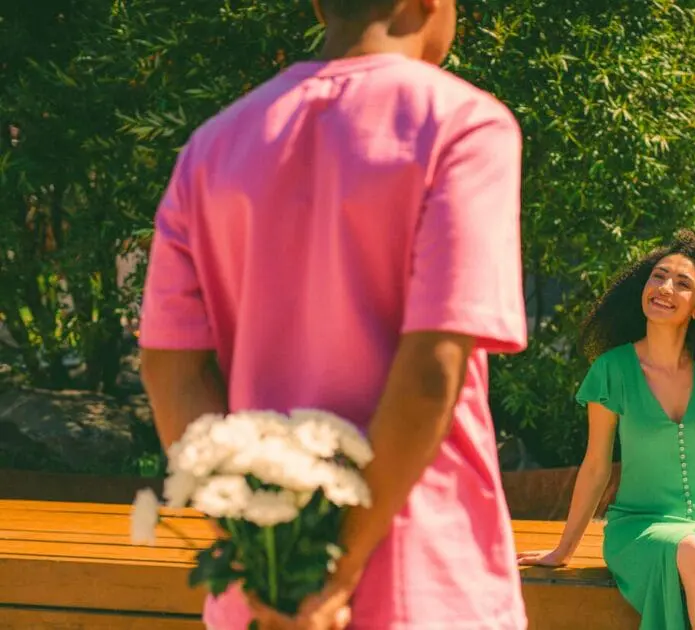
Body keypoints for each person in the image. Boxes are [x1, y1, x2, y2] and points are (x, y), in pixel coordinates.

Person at [138, 1, 528, 628]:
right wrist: (335, 573)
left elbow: (169, 373)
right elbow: (432, 370)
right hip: (420, 581)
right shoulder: (465, 126)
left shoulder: (210, 148)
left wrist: (269, 564)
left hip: (262, 598)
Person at [518, 225, 695, 630]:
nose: (665, 287)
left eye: (682, 283)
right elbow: (596, 465)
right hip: (643, 526)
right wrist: (565, 548)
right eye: (658, 276)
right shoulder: (612, 369)